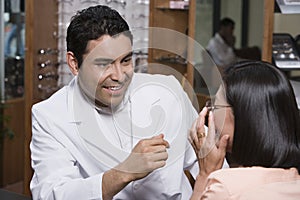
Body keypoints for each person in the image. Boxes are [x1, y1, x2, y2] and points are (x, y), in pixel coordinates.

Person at [30, 5, 200, 200]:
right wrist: (123, 172)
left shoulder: (167, 93)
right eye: (103, 64)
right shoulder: (50, 116)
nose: (119, 76)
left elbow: (209, 165)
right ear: (74, 63)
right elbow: (52, 194)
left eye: (126, 61)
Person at [189, 60, 300, 199]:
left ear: (243, 116)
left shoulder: (225, 189)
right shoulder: (294, 180)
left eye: (216, 107)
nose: (209, 115)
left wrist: (204, 175)